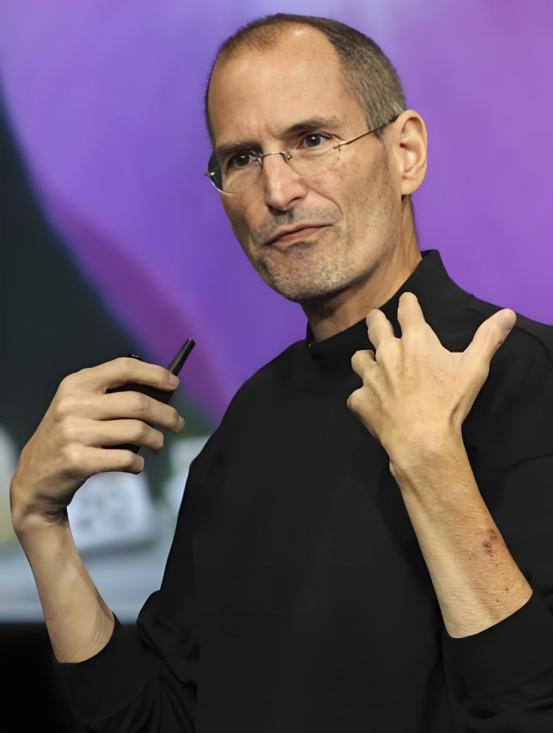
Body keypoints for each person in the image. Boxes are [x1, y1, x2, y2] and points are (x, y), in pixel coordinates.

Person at [9, 13, 553, 733]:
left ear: (406, 153)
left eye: (312, 140)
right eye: (241, 158)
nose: (277, 189)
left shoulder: (532, 382)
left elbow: (530, 710)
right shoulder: (249, 426)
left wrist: (435, 472)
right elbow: (159, 716)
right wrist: (40, 524)